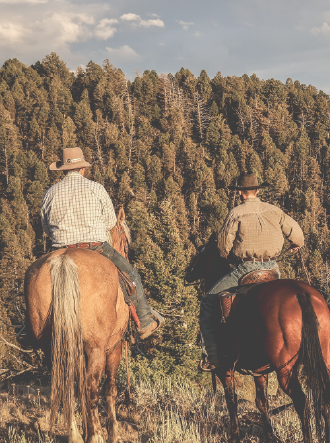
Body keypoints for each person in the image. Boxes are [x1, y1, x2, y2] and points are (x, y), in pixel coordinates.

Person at [16, 146, 164, 347]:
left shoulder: (50, 193)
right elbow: (110, 222)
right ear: (82, 169)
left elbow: (45, 226)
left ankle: (29, 329)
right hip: (95, 247)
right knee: (131, 274)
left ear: (62, 170)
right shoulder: (96, 188)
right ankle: (145, 321)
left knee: (33, 276)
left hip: (59, 248)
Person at [198, 173, 304, 372]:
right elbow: (298, 235)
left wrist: (230, 257)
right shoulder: (274, 211)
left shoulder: (236, 213)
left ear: (240, 192)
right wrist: (295, 245)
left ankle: (212, 356)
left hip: (246, 268)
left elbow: (222, 247)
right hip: (272, 268)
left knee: (208, 301)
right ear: (258, 190)